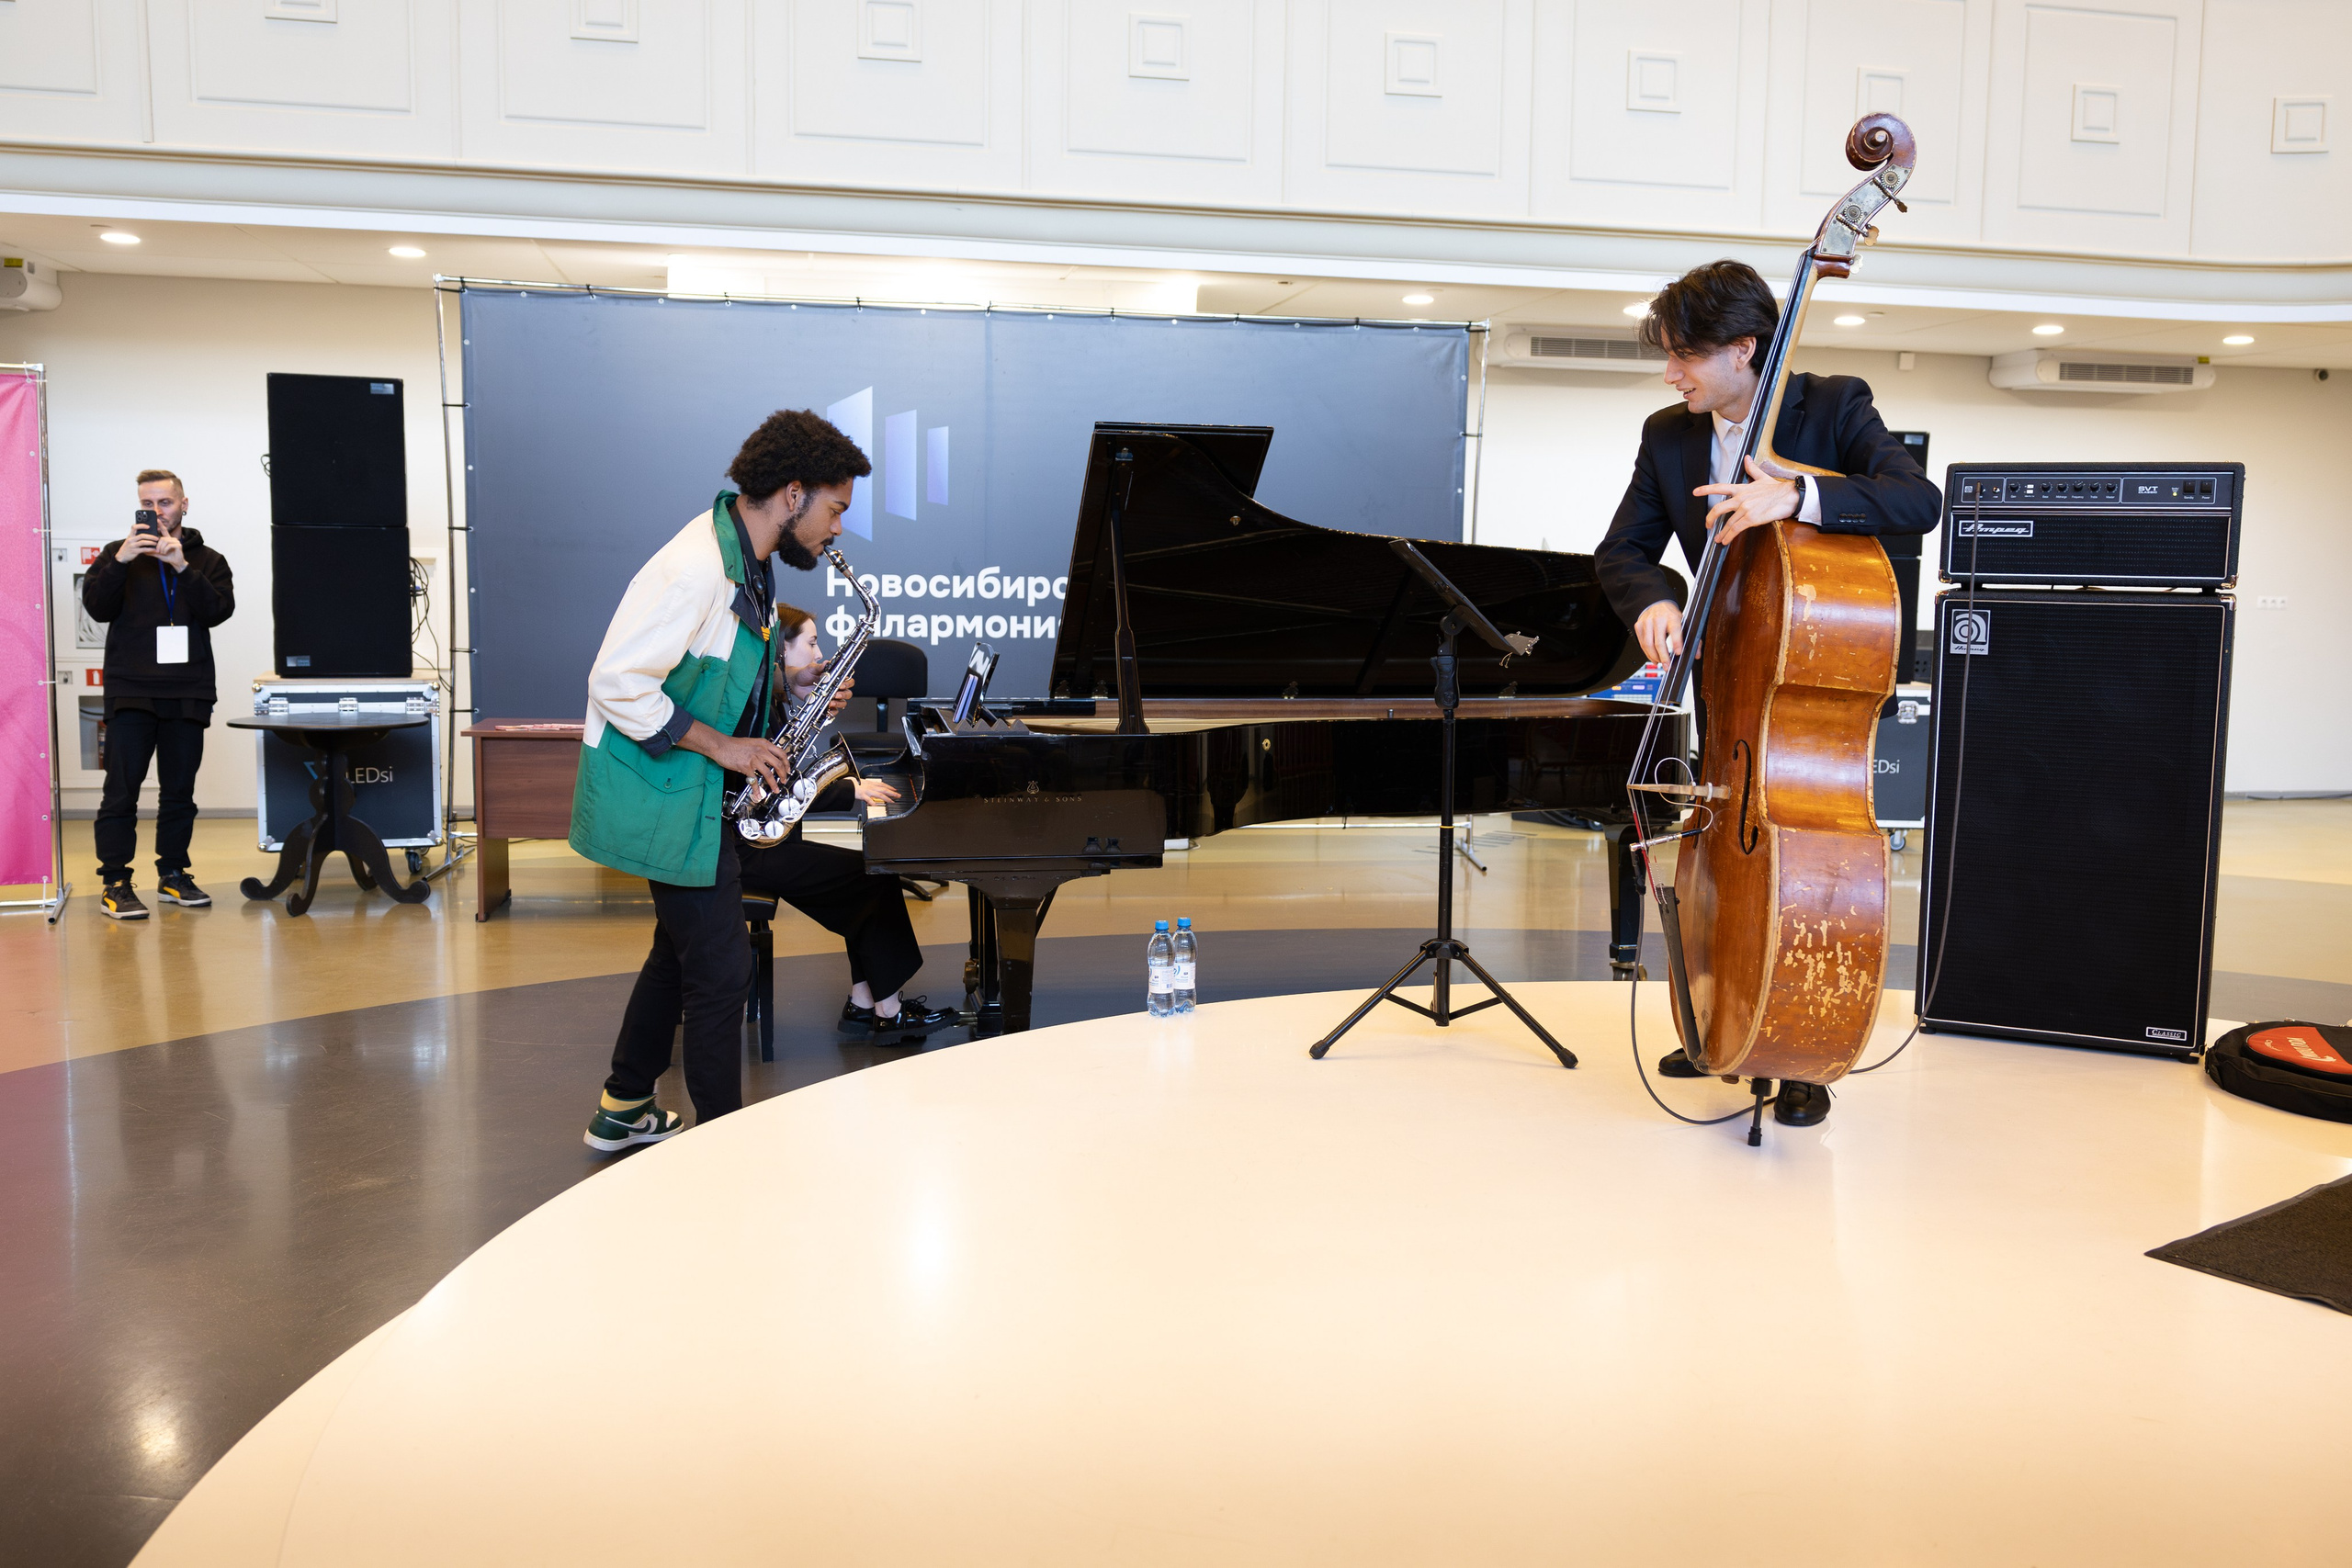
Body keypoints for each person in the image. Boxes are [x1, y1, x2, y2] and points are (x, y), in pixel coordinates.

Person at [1595, 259, 1938, 1127]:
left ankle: (1798, 1047)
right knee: (1718, 849)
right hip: (1729, 680)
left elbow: (1916, 499)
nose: (1672, 375)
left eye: (1686, 357)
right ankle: (1718, 1016)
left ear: (1746, 349)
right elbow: (1623, 551)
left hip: (1810, 686)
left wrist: (1800, 495)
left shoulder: (1832, 404)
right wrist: (1657, 600)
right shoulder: (1669, 434)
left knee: (1804, 865)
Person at [571, 410, 870, 1154]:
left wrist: (798, 698)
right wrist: (727, 748)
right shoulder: (696, 566)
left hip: (695, 792)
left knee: (677, 953)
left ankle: (624, 1105)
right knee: (721, 965)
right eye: (834, 510)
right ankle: (720, 1153)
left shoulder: (752, 564)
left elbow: (725, 679)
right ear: (793, 494)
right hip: (665, 791)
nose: (837, 530)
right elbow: (615, 680)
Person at [737, 605, 958, 1043]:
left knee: (869, 867)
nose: (819, 653)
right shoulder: (753, 707)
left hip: (770, 839)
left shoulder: (768, 699)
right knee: (872, 876)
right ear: (780, 650)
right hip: (751, 849)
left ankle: (864, 1003)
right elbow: (782, 793)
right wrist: (848, 790)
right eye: (812, 643)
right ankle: (887, 1011)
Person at [81, 468, 236, 920]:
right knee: (121, 791)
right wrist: (122, 561)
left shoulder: (208, 560)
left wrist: (182, 567)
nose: (156, 513)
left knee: (179, 793)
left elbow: (218, 612)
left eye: (164, 503)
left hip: (188, 691)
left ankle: (172, 875)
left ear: (184, 504)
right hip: (131, 690)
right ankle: (115, 882)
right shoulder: (117, 554)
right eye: (146, 505)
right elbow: (97, 607)